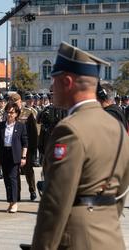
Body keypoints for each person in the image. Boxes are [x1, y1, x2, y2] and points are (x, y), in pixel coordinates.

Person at [21, 42, 129, 250]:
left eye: (54, 80)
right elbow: (121, 192)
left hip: (77, 239)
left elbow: (55, 202)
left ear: (67, 81)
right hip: (110, 237)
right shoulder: (117, 127)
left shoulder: (70, 129)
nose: (52, 88)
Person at [0, 103, 28, 213]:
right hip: (4, 154)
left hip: (15, 154)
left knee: (13, 178)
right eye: (8, 112)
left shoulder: (20, 126)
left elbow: (25, 143)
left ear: (17, 114)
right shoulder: (0, 126)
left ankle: (14, 202)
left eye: (12, 112)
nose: (9, 114)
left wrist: (23, 156)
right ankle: (10, 201)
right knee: (6, 179)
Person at [9, 93, 38, 201]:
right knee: (15, 172)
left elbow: (34, 132)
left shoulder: (29, 112)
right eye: (12, 102)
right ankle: (17, 194)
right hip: (14, 147)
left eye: (15, 102)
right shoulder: (10, 113)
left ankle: (32, 190)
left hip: (27, 147)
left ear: (20, 101)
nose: (13, 104)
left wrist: (34, 148)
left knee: (28, 170)